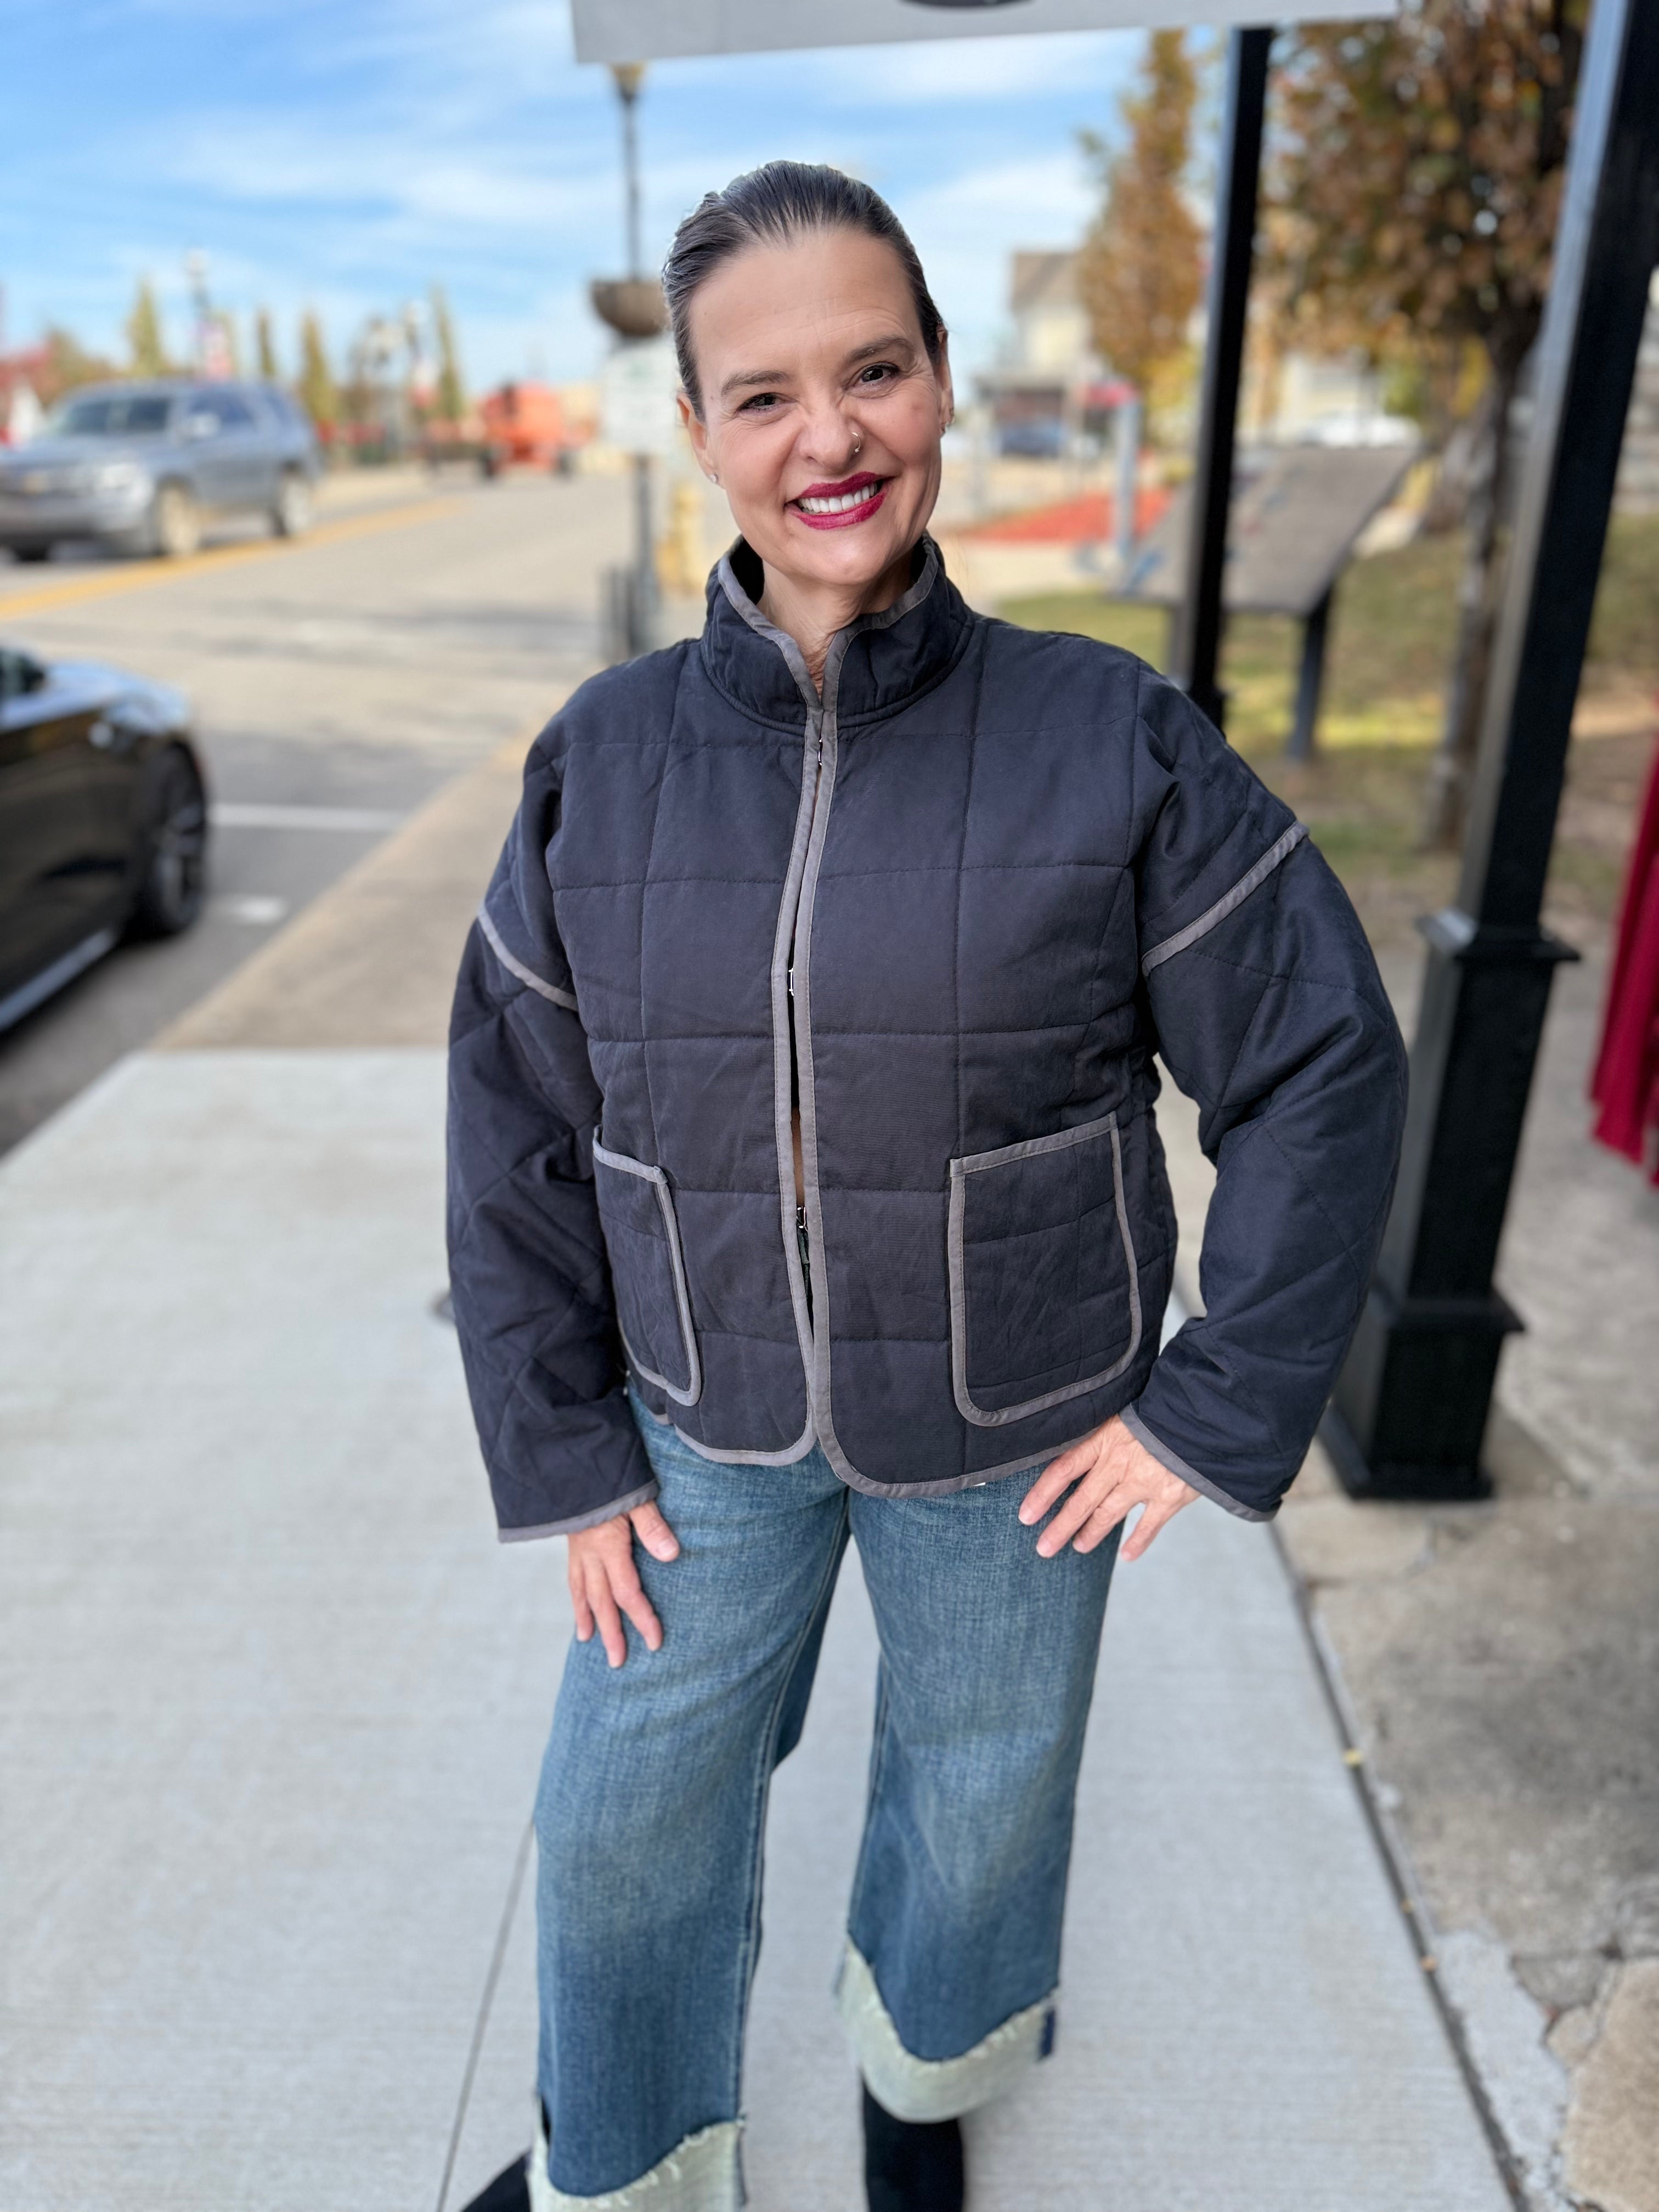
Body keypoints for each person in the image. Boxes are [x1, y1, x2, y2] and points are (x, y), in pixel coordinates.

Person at [448, 161, 1406, 2212]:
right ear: (698, 430)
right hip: (699, 1423)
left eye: (873, 371)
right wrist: (561, 1441)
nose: (831, 436)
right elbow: (515, 1118)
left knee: (980, 1800)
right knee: (625, 1814)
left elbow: (1322, 1059)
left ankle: (919, 2079)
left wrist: (1213, 1404)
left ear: (944, 386)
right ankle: (615, 2164)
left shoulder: (1109, 738)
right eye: (768, 393)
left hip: (1021, 1422)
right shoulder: (599, 761)